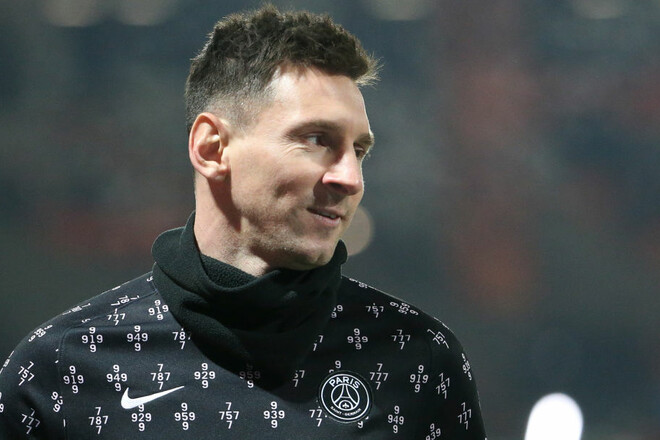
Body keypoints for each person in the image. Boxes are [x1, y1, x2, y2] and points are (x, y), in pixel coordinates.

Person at [0, 5, 487, 439]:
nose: (350, 178)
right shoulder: (61, 372)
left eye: (358, 151)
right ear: (212, 148)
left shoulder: (417, 359)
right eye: (316, 139)